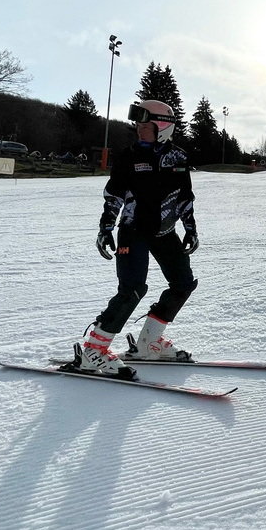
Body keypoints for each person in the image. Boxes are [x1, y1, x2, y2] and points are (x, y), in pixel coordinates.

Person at [64, 100, 200, 379]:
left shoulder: (178, 158)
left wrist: (190, 227)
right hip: (133, 230)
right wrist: (105, 228)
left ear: (162, 127)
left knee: (183, 284)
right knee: (133, 289)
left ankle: (149, 342)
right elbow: (113, 195)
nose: (139, 130)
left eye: (145, 126)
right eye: (137, 125)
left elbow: (185, 196)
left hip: (164, 232)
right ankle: (94, 351)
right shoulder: (128, 157)